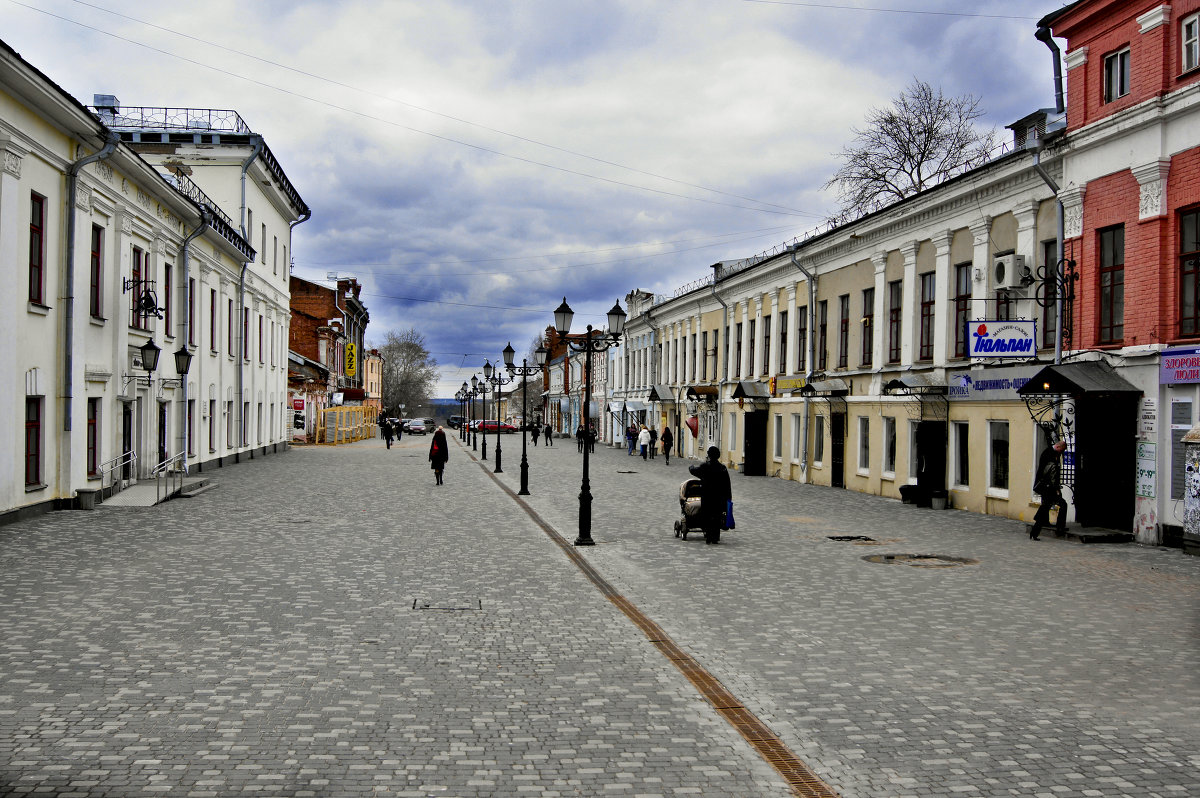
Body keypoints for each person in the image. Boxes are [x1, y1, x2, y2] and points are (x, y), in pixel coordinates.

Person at [689, 445, 732, 544]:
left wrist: (690, 467)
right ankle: (716, 537)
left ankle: (709, 536)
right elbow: (727, 485)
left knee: (707, 515)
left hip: (707, 495)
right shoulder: (722, 468)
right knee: (717, 515)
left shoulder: (705, 466)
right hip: (719, 497)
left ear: (709, 455)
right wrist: (728, 498)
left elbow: (695, 471)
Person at [1030, 440, 1068, 540]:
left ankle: (1035, 531)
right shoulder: (1050, 455)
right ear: (1059, 447)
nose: (1061, 453)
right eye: (1062, 450)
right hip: (1049, 488)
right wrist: (1056, 489)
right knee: (1059, 505)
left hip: (1047, 487)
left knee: (1045, 507)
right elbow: (1051, 475)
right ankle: (1059, 527)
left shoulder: (1049, 453)